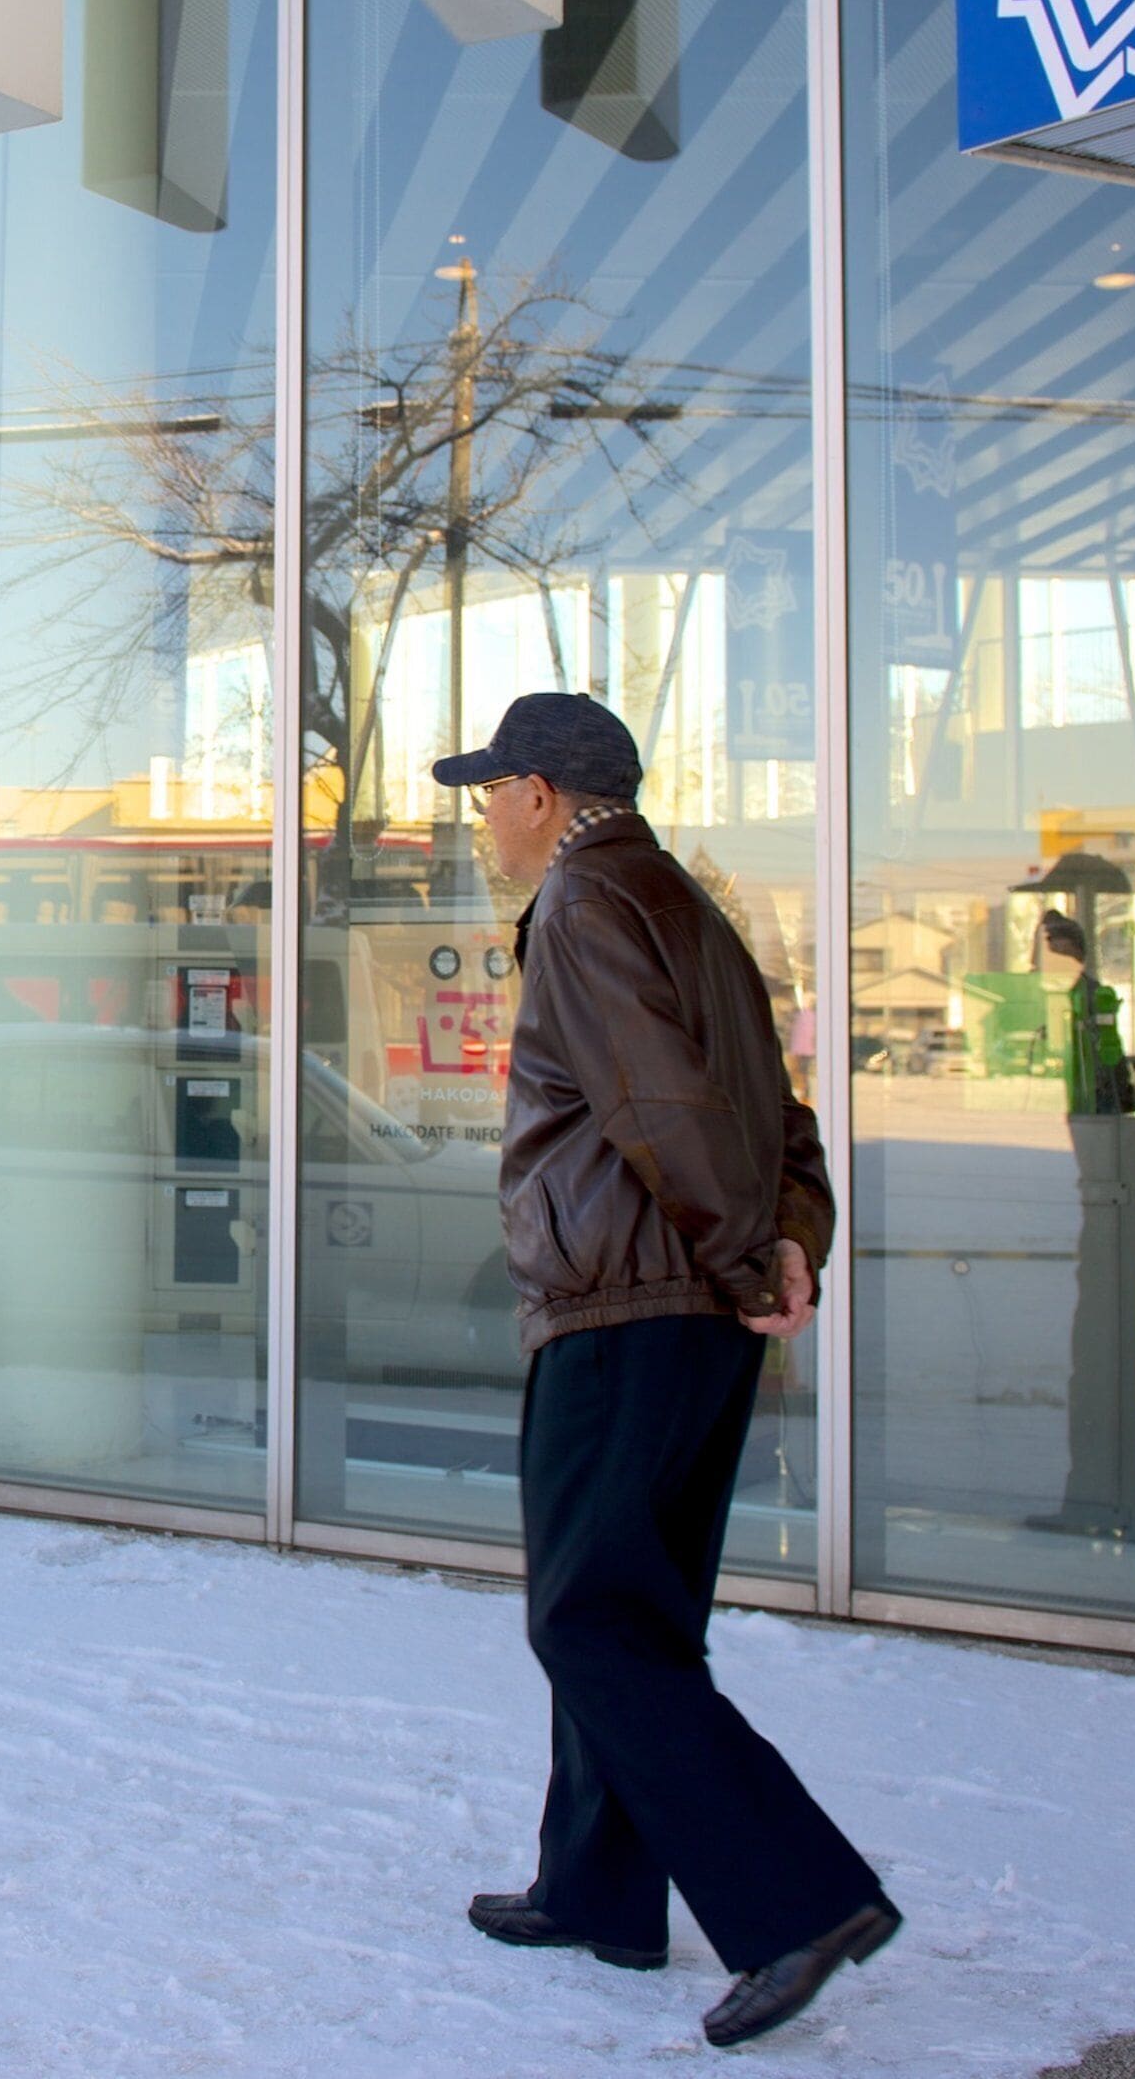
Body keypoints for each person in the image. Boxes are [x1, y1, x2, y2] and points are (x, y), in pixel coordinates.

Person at [433, 693, 896, 2051]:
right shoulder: (686, 904)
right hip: (689, 1297)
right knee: (634, 1609)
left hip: (626, 1302)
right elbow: (775, 1107)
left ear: (538, 794)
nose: (479, 821)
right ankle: (600, 1891)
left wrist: (756, 1254)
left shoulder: (584, 903)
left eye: (486, 794)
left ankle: (796, 1900)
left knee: (587, 1617)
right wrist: (789, 1237)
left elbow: (657, 1104)